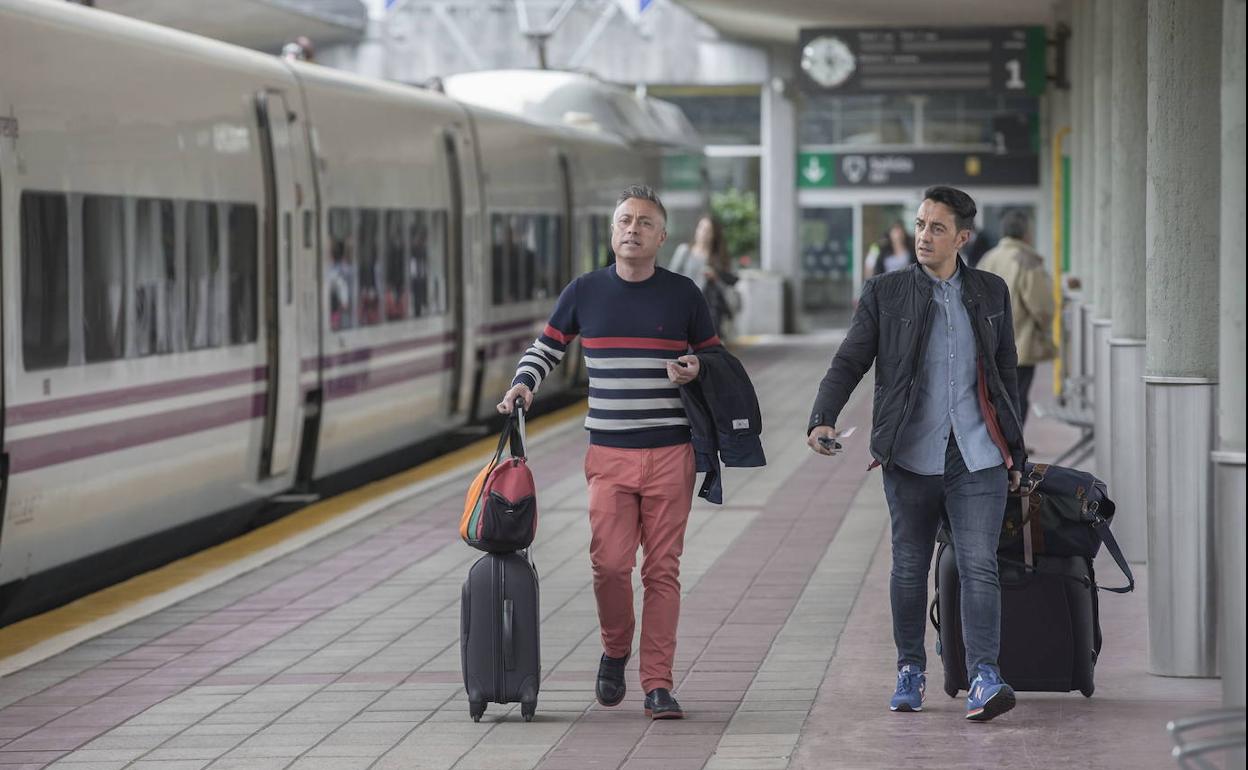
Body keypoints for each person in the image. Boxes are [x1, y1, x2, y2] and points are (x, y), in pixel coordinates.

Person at [498, 185, 723, 720]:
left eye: (646, 222)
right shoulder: (585, 291)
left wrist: (698, 368)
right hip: (609, 454)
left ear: (662, 236)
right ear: (612, 231)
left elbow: (716, 360)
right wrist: (523, 384)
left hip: (672, 452)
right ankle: (616, 646)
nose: (633, 229)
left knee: (662, 571)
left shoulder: (684, 294)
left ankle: (658, 684)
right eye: (625, 220)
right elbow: (546, 347)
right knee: (610, 566)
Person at [805, 185, 1026, 722]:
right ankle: (911, 669)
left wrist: (1014, 455)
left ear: (963, 238)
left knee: (979, 564)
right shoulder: (885, 292)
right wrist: (822, 416)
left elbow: (1005, 376)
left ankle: (984, 676)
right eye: (921, 224)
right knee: (908, 567)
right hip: (910, 455)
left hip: (977, 455)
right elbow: (850, 359)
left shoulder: (991, 291)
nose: (923, 236)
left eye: (937, 228)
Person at [976, 210, 1058, 427]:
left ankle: (999, 449)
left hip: (990, 346)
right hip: (1020, 347)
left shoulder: (987, 258)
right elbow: (1042, 306)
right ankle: (1013, 451)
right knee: (1017, 401)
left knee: (994, 401)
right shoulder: (1027, 260)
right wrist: (1045, 327)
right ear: (1026, 233)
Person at [671, 215, 739, 337]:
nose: (703, 233)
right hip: (684, 306)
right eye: (701, 228)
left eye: (708, 230)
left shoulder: (718, 258)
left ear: (714, 235)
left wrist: (715, 277)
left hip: (709, 311)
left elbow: (726, 288)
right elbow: (671, 277)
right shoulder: (684, 251)